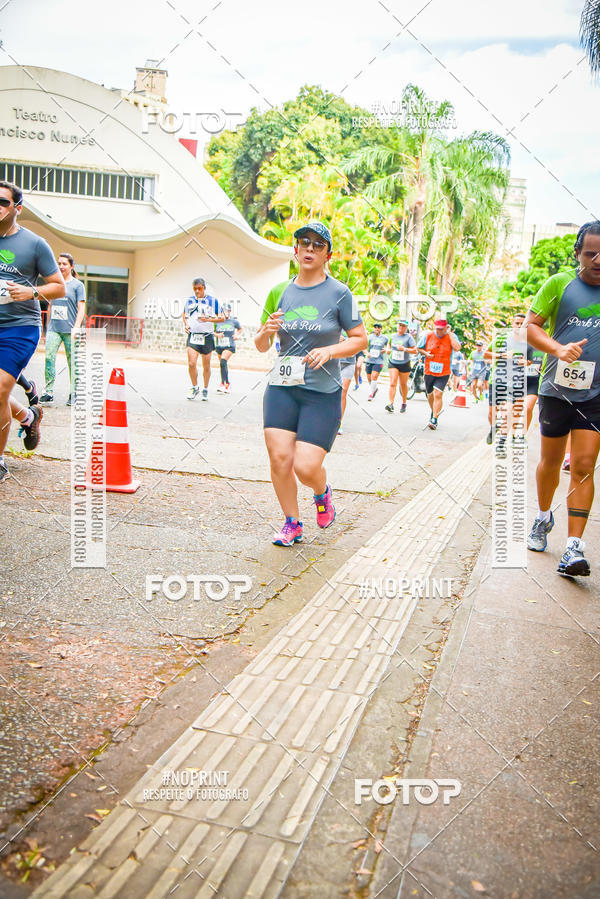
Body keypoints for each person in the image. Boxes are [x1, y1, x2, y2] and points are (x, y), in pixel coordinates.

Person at [254, 221, 367, 546]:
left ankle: (322, 493)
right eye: (304, 242)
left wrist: (330, 350)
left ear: (327, 254)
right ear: (295, 250)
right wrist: (266, 332)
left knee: (305, 466)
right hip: (283, 387)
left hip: (323, 391)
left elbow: (360, 340)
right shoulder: (279, 291)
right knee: (279, 459)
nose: (309, 249)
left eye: (318, 245)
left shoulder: (339, 293)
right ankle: (292, 523)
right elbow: (261, 345)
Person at [525, 221, 600, 577]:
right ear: (577, 253)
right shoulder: (559, 284)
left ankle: (573, 548)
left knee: (584, 466)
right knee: (550, 463)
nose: (598, 260)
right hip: (556, 389)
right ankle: (542, 516)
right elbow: (531, 326)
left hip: (596, 394)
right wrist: (558, 348)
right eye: (590, 254)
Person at [0, 180, 64, 483]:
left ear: (18, 208)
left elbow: (58, 286)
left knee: (0, 387)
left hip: (19, 328)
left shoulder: (35, 244)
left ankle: (0, 461)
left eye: (3, 202)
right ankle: (28, 416)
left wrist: (31, 292)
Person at [39, 253, 86, 405]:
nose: (61, 266)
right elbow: (51, 304)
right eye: (59, 263)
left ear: (71, 266)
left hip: (70, 330)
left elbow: (81, 307)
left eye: (64, 264)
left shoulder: (78, 286)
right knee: (48, 358)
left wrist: (77, 328)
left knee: (73, 362)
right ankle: (48, 392)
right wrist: (48, 325)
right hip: (54, 328)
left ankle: (74, 393)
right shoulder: (55, 283)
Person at [484, 313, 527, 451]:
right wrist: (501, 355)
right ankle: (493, 428)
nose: (519, 326)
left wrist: (526, 362)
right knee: (492, 412)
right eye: (517, 323)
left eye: (522, 323)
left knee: (508, 410)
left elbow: (533, 359)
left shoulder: (527, 342)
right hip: (497, 379)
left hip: (513, 382)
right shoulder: (501, 339)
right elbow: (486, 354)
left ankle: (501, 442)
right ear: (512, 324)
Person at [182, 278, 223, 401]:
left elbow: (221, 318)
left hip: (207, 337)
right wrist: (186, 324)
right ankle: (195, 387)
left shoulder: (212, 301)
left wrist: (208, 320)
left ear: (204, 288)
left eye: (199, 288)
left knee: (206, 365)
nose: (197, 291)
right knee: (191, 363)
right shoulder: (190, 300)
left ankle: (205, 389)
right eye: (195, 289)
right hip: (193, 336)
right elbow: (184, 314)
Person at [417, 318, 461, 429]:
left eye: (442, 329)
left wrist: (450, 334)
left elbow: (457, 348)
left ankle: (435, 419)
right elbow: (418, 348)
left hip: (444, 371)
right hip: (429, 370)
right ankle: (434, 411)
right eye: (437, 329)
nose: (439, 332)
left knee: (438, 394)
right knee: (430, 395)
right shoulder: (428, 335)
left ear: (446, 328)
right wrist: (426, 353)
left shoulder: (451, 336)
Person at [385, 319, 416, 413]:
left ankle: (404, 402)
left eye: (403, 326)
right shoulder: (393, 336)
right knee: (392, 382)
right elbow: (389, 346)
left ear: (406, 328)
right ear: (397, 326)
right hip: (393, 362)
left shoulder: (409, 337)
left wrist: (405, 349)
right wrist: (388, 350)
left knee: (403, 384)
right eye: (400, 325)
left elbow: (415, 350)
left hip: (404, 363)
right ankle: (390, 403)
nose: (401, 327)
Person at [214, 303, 242, 394]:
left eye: (227, 311)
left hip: (229, 345)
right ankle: (226, 384)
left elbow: (240, 329)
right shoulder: (217, 321)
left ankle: (224, 384)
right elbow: (211, 331)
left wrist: (237, 335)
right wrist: (217, 335)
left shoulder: (233, 321)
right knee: (223, 365)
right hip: (219, 345)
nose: (225, 313)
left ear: (230, 311)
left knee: (223, 361)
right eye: (223, 311)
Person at [338, 332, 356, 434]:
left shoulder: (354, 323)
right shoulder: (332, 320)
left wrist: (345, 341)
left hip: (349, 363)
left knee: (343, 391)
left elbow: (361, 342)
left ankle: (339, 423)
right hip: (333, 362)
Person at [365, 323, 388, 401]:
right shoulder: (369, 337)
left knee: (374, 376)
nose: (377, 329)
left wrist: (386, 350)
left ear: (381, 329)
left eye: (378, 328)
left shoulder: (385, 338)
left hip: (379, 361)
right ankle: (374, 389)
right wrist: (366, 353)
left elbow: (389, 347)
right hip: (369, 360)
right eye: (375, 328)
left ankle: (371, 394)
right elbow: (364, 347)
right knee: (369, 378)